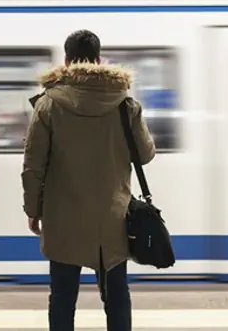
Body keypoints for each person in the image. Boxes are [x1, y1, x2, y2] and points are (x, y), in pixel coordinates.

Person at [22, 30, 156, 331]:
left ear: (67, 61)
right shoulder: (126, 105)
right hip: (113, 218)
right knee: (117, 296)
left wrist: (34, 209)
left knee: (62, 298)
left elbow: (33, 166)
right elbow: (145, 155)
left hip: (63, 218)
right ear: (98, 60)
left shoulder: (48, 105)